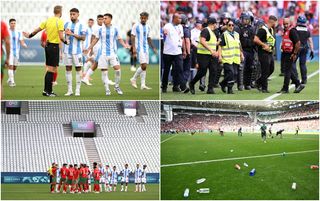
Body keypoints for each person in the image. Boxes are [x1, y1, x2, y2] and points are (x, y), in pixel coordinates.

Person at [23, 5, 68, 97]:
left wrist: (30, 35)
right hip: (54, 47)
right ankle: (47, 91)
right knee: (51, 69)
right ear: (60, 12)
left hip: (48, 46)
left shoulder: (48, 20)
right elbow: (61, 37)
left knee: (53, 69)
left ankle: (49, 90)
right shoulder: (59, 21)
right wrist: (66, 41)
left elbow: (37, 30)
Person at [84, 13, 129, 96]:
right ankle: (107, 90)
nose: (104, 20)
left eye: (105, 18)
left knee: (118, 70)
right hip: (103, 54)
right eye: (103, 18)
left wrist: (125, 45)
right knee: (104, 73)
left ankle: (117, 86)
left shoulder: (115, 29)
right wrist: (89, 48)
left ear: (110, 19)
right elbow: (95, 40)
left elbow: (119, 39)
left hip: (112, 53)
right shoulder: (100, 29)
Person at [187, 17, 219, 94]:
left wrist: (217, 46)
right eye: (216, 23)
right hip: (203, 54)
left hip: (212, 55)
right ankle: (192, 83)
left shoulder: (213, 32)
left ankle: (210, 88)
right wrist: (211, 50)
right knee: (202, 71)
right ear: (213, 24)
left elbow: (212, 43)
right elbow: (202, 41)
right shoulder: (206, 30)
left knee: (213, 70)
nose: (216, 25)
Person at [130, 12, 157, 90]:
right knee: (144, 65)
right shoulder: (136, 26)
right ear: (140, 18)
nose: (143, 19)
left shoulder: (148, 27)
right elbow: (132, 36)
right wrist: (134, 48)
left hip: (146, 48)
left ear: (147, 18)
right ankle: (133, 78)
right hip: (139, 48)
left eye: (144, 18)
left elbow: (148, 38)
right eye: (142, 18)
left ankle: (143, 84)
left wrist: (153, 47)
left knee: (144, 67)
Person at [277, 18, 305, 94]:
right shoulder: (286, 31)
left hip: (290, 53)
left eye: (287, 24)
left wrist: (294, 53)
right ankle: (298, 84)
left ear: (290, 23)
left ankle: (285, 88)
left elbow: (298, 43)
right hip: (286, 52)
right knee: (288, 70)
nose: (285, 25)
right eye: (284, 24)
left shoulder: (292, 31)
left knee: (287, 71)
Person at [63, 8, 86, 96]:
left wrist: (72, 34)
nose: (72, 16)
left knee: (78, 69)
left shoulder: (82, 25)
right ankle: (69, 90)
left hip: (77, 52)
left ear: (78, 15)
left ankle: (77, 90)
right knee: (68, 69)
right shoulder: (66, 24)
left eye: (74, 14)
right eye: (71, 14)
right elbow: (63, 37)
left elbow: (83, 38)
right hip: (67, 51)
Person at [218, 20, 244, 94]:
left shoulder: (236, 34)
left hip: (235, 58)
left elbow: (239, 45)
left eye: (232, 25)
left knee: (235, 74)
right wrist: (220, 56)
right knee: (231, 73)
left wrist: (241, 54)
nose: (231, 26)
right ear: (226, 26)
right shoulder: (224, 35)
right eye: (229, 25)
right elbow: (220, 46)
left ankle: (223, 83)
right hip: (227, 58)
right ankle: (230, 89)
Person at [253, 15, 277, 93]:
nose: (276, 24)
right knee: (265, 70)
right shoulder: (263, 30)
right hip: (263, 53)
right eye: (275, 22)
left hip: (269, 53)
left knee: (271, 69)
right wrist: (263, 45)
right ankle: (264, 88)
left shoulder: (271, 30)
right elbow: (255, 39)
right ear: (272, 22)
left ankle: (258, 82)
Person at [161, 13, 184, 93]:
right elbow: (164, 31)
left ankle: (177, 86)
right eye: (179, 18)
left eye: (181, 18)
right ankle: (164, 86)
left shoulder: (180, 27)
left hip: (178, 52)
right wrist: (165, 32)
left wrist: (183, 50)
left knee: (179, 69)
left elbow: (182, 38)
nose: (181, 20)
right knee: (167, 70)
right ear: (174, 18)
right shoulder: (168, 26)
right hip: (168, 52)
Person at [292, 15, 314, 85]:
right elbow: (310, 41)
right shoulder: (307, 30)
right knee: (303, 64)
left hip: (296, 48)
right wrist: (312, 50)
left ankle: (295, 79)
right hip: (304, 48)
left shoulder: (294, 29)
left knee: (293, 63)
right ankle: (304, 79)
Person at [7, 19, 27, 87]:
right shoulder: (6, 32)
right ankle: (12, 82)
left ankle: (10, 78)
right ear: (9, 24)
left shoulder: (18, 32)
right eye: (12, 23)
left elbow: (21, 41)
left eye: (14, 23)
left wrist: (24, 44)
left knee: (15, 67)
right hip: (9, 52)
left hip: (16, 52)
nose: (13, 24)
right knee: (10, 66)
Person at [239, 12, 255, 90]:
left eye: (247, 19)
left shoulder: (252, 28)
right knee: (242, 68)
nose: (245, 20)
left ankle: (247, 84)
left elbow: (254, 39)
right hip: (243, 50)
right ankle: (240, 84)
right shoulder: (239, 28)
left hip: (251, 50)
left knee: (250, 67)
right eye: (244, 19)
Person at [190, 20, 203, 90]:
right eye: (200, 24)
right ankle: (192, 84)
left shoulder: (202, 31)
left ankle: (202, 84)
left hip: (201, 51)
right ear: (198, 25)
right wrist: (197, 46)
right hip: (195, 51)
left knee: (201, 67)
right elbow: (191, 41)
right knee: (195, 67)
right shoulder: (192, 31)